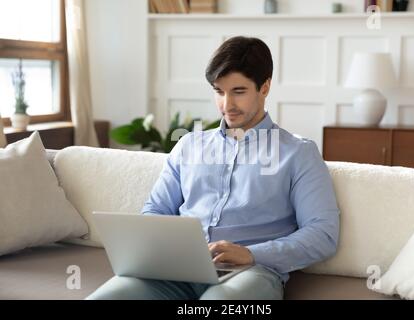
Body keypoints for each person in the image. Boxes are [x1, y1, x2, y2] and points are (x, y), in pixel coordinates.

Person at [87, 36, 340, 300]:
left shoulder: (298, 152)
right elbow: (155, 210)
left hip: (252, 272)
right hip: (176, 271)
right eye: (219, 91)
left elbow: (323, 234)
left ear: (264, 87)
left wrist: (252, 253)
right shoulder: (188, 146)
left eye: (238, 91)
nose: (227, 105)